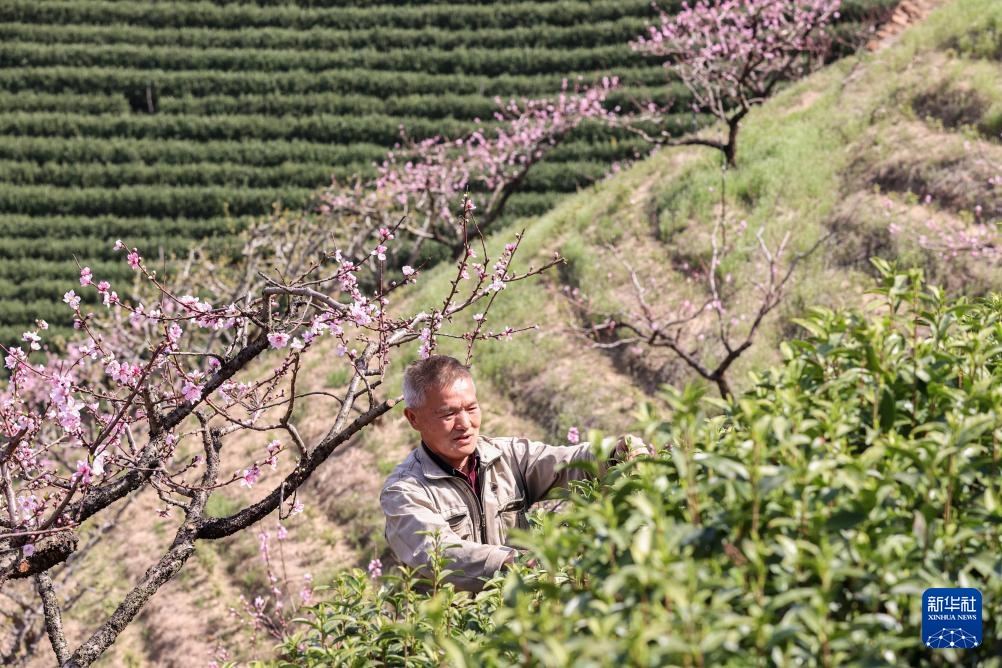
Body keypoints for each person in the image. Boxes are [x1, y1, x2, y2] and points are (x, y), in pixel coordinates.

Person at [380, 354, 651, 591]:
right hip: (454, 635)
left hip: (519, 620)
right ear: (413, 418)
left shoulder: (507, 456)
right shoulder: (404, 491)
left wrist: (617, 454)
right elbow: (438, 554)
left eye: (471, 408)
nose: (465, 424)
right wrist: (513, 563)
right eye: (447, 414)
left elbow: (568, 462)